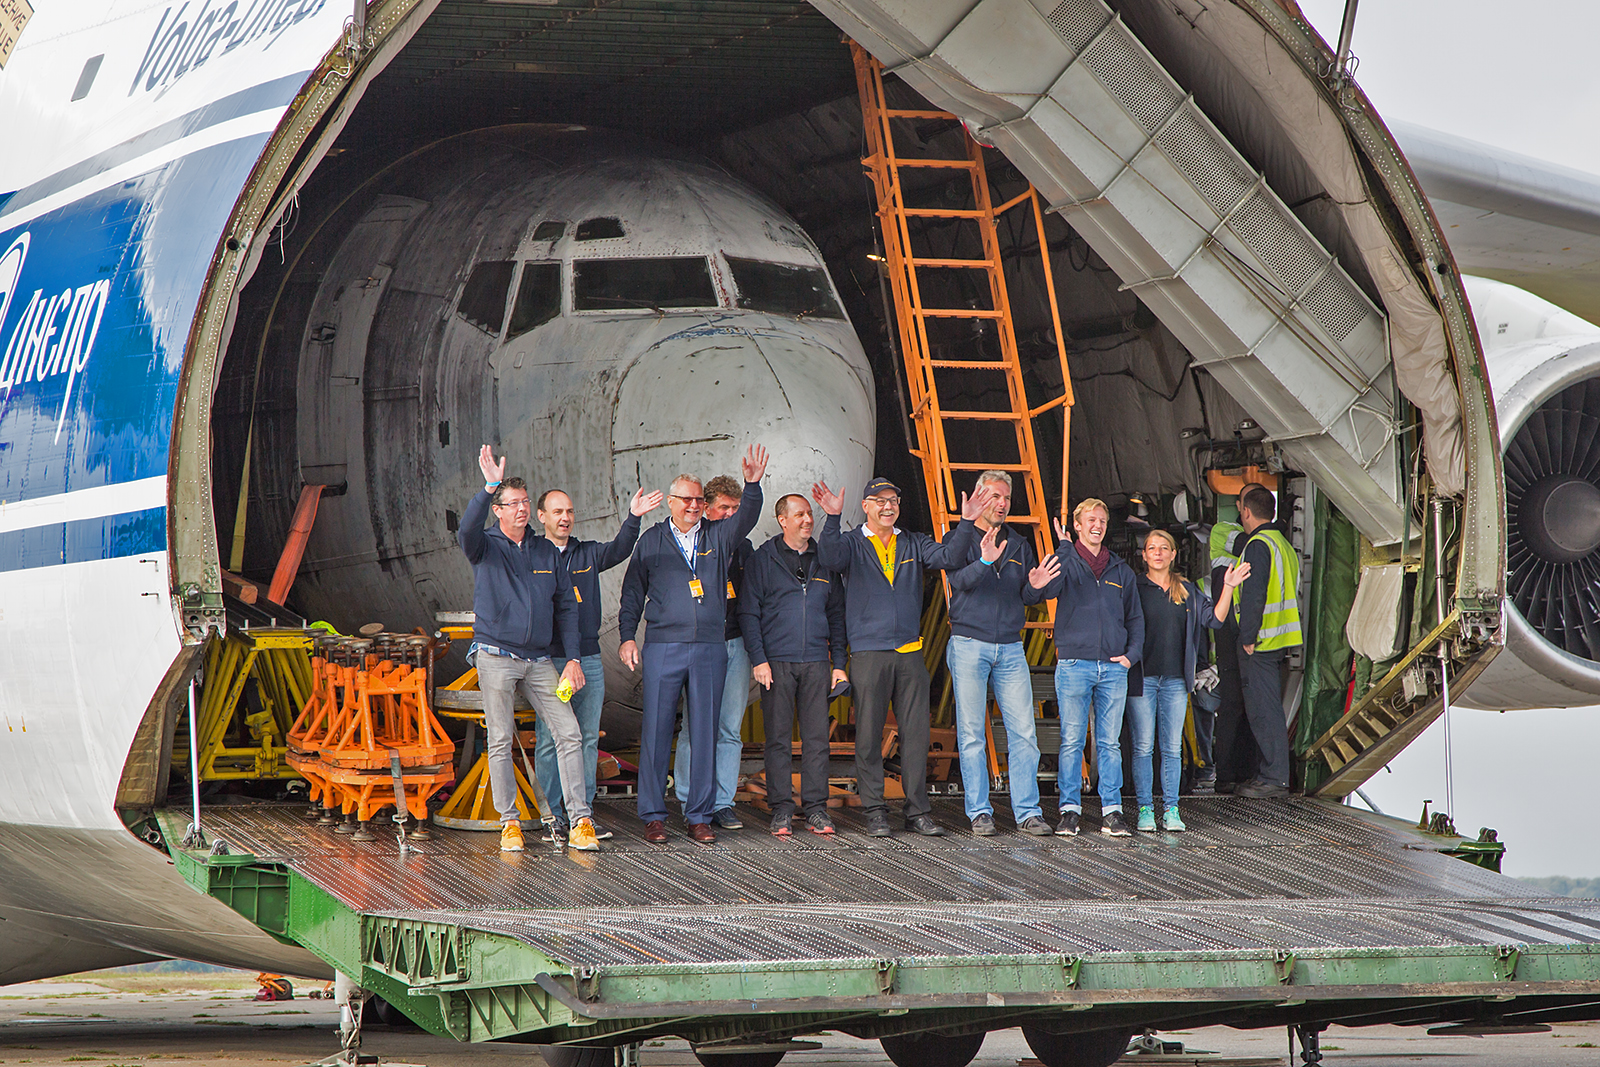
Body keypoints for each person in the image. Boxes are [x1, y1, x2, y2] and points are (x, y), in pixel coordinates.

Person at [811, 476, 994, 837]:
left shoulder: (911, 541)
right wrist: (832, 517)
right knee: (867, 737)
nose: (888, 506)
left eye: (893, 500)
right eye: (879, 500)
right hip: (868, 653)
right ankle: (876, 811)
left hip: (910, 653)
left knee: (916, 735)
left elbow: (950, 556)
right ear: (865, 506)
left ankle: (917, 812)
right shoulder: (851, 543)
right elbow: (828, 557)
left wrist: (967, 521)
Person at [618, 447, 767, 843]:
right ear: (670, 502)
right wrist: (627, 636)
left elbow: (747, 517)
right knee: (657, 730)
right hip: (664, 645)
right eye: (686, 499)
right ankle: (653, 814)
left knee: (704, 730)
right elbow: (632, 592)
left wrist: (753, 485)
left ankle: (698, 814)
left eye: (699, 500)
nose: (694, 506)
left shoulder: (718, 536)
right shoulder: (652, 541)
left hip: (708, 647)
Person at [461, 446, 596, 853]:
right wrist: (487, 489)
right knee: (500, 739)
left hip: (539, 661)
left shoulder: (545, 552)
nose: (521, 509)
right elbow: (466, 530)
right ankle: (510, 824)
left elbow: (566, 607)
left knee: (569, 731)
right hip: (496, 657)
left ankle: (581, 819)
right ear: (498, 511)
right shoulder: (483, 545)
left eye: (524, 502)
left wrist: (572, 658)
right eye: (513, 504)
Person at [530, 484, 663, 842]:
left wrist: (634, 516)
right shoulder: (533, 556)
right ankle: (550, 815)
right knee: (549, 738)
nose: (565, 518)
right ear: (541, 517)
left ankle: (581, 814)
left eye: (569, 512)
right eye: (557, 512)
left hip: (587, 658)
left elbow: (620, 549)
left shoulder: (586, 554)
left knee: (587, 737)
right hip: (549, 661)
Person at [944, 470, 1056, 836]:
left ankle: (1028, 812)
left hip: (1010, 646)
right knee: (973, 732)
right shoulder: (958, 540)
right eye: (995, 496)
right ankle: (979, 811)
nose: (1002, 504)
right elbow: (958, 582)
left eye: (1006, 497)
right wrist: (986, 560)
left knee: (1024, 732)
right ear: (979, 497)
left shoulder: (1019, 544)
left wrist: (1037, 588)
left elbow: (1024, 595)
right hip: (969, 645)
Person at [1028, 498, 1144, 837]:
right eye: (1090, 520)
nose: (1097, 525)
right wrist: (1064, 549)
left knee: (1109, 743)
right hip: (1074, 664)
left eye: (1102, 520)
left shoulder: (1121, 570)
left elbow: (1135, 618)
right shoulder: (1067, 562)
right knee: (1072, 741)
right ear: (1077, 526)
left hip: (1113, 667)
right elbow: (1045, 590)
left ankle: (1112, 811)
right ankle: (1070, 810)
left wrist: (1130, 656)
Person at [740, 494, 849, 836]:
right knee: (778, 740)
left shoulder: (825, 560)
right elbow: (748, 612)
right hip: (777, 662)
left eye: (809, 514)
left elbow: (837, 615)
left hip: (817, 662)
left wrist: (839, 663)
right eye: (799, 514)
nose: (807, 520)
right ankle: (782, 809)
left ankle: (816, 809)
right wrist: (759, 659)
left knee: (817, 739)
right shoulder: (763, 559)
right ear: (782, 520)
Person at [1126, 529, 1249, 832]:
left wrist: (1229, 588)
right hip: (1141, 679)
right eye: (1151, 548)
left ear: (1172, 555)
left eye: (1163, 548)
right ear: (1144, 555)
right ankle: (1145, 809)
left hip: (1175, 683)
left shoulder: (1187, 590)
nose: (1157, 552)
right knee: (1143, 747)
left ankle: (1171, 810)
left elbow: (1215, 620)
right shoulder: (1133, 588)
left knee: (1171, 749)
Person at [672, 475, 755, 831]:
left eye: (737, 509)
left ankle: (722, 801)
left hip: (735, 641)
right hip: (701, 643)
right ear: (706, 508)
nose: (732, 515)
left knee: (729, 728)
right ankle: (690, 797)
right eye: (725, 508)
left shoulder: (745, 548)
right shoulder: (694, 541)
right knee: (695, 726)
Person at [1232, 485, 1303, 798]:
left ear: (1246, 511)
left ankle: (1273, 778)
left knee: (1263, 709)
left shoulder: (1258, 544)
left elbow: (1254, 592)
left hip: (1261, 640)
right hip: (1279, 637)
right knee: (1267, 706)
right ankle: (1268, 773)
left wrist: (1248, 635)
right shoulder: (1282, 543)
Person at [1207, 482, 1267, 793]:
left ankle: (1247, 771)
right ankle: (1226, 775)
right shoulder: (1222, 531)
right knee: (1232, 701)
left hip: (1245, 628)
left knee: (1250, 702)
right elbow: (1248, 541)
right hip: (1229, 630)